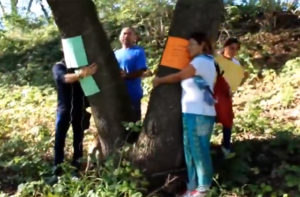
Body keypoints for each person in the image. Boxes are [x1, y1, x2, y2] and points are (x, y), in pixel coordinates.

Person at [153, 32, 216, 197]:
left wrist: (159, 80)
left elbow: (179, 76)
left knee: (199, 150)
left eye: (192, 44)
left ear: (202, 45)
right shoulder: (205, 61)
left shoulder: (201, 61)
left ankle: (203, 188)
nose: (188, 48)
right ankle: (192, 187)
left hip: (200, 113)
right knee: (190, 150)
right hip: (191, 113)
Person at [52, 59, 97, 173]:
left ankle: (76, 167)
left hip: (79, 110)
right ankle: (58, 168)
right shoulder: (59, 66)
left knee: (78, 139)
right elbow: (65, 78)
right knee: (60, 140)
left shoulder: (83, 66)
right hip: (64, 111)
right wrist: (81, 74)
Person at [114, 27, 148, 122]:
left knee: (134, 123)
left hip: (133, 94)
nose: (126, 36)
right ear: (120, 37)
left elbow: (141, 71)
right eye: (124, 33)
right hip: (117, 95)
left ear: (135, 38)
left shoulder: (138, 51)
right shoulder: (115, 53)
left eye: (129, 34)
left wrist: (126, 75)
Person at [219, 37, 241, 157]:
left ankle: (226, 146)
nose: (233, 51)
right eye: (231, 48)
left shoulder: (236, 63)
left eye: (236, 49)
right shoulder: (217, 61)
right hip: (214, 95)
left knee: (227, 120)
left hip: (226, 96)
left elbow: (236, 80)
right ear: (225, 47)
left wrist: (232, 90)